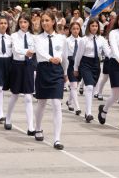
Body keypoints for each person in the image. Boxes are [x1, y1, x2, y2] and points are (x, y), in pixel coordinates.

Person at [33, 10, 69, 150]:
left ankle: (57, 139)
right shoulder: (38, 38)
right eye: (43, 21)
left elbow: (65, 57)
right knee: (41, 103)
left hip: (57, 72)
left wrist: (65, 72)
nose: (44, 23)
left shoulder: (61, 38)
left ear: (53, 22)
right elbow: (40, 52)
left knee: (56, 104)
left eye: (47, 20)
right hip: (43, 69)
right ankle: (38, 128)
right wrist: (50, 58)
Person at [73, 18, 111, 123]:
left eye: (96, 26)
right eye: (92, 26)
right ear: (88, 27)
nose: (94, 28)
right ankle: (88, 113)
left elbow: (108, 52)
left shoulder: (101, 39)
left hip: (96, 64)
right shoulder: (84, 40)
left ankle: (88, 111)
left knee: (93, 88)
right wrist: (76, 68)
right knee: (89, 87)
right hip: (85, 63)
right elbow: (78, 55)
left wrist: (117, 57)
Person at [5, 15, 36, 132]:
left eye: (25, 22)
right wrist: (27, 52)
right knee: (15, 95)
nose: (23, 24)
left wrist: (31, 52)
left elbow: (35, 49)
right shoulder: (14, 36)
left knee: (28, 97)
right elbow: (16, 49)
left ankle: (31, 127)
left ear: (29, 24)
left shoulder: (33, 36)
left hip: (28, 66)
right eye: (21, 22)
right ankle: (8, 118)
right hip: (17, 66)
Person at [65, 22, 83, 116]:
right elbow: (65, 55)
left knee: (75, 85)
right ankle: (78, 108)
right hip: (71, 63)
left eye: (77, 29)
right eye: (74, 29)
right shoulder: (67, 41)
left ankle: (69, 101)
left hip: (80, 64)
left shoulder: (82, 40)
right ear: (70, 30)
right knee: (74, 86)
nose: (76, 30)